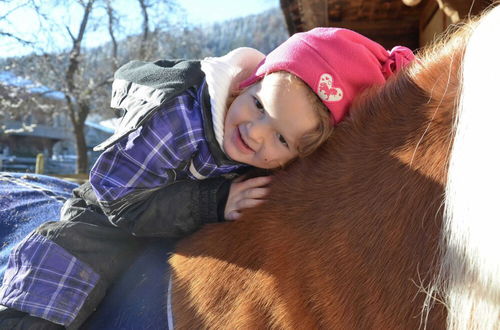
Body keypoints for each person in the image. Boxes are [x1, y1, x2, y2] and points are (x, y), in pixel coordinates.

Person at [0, 27, 414, 329]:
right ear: (250, 83)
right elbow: (117, 197)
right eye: (259, 106)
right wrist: (213, 202)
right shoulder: (177, 118)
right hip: (105, 221)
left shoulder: (262, 151)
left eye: (282, 138)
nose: (255, 132)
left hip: (175, 224)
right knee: (49, 294)